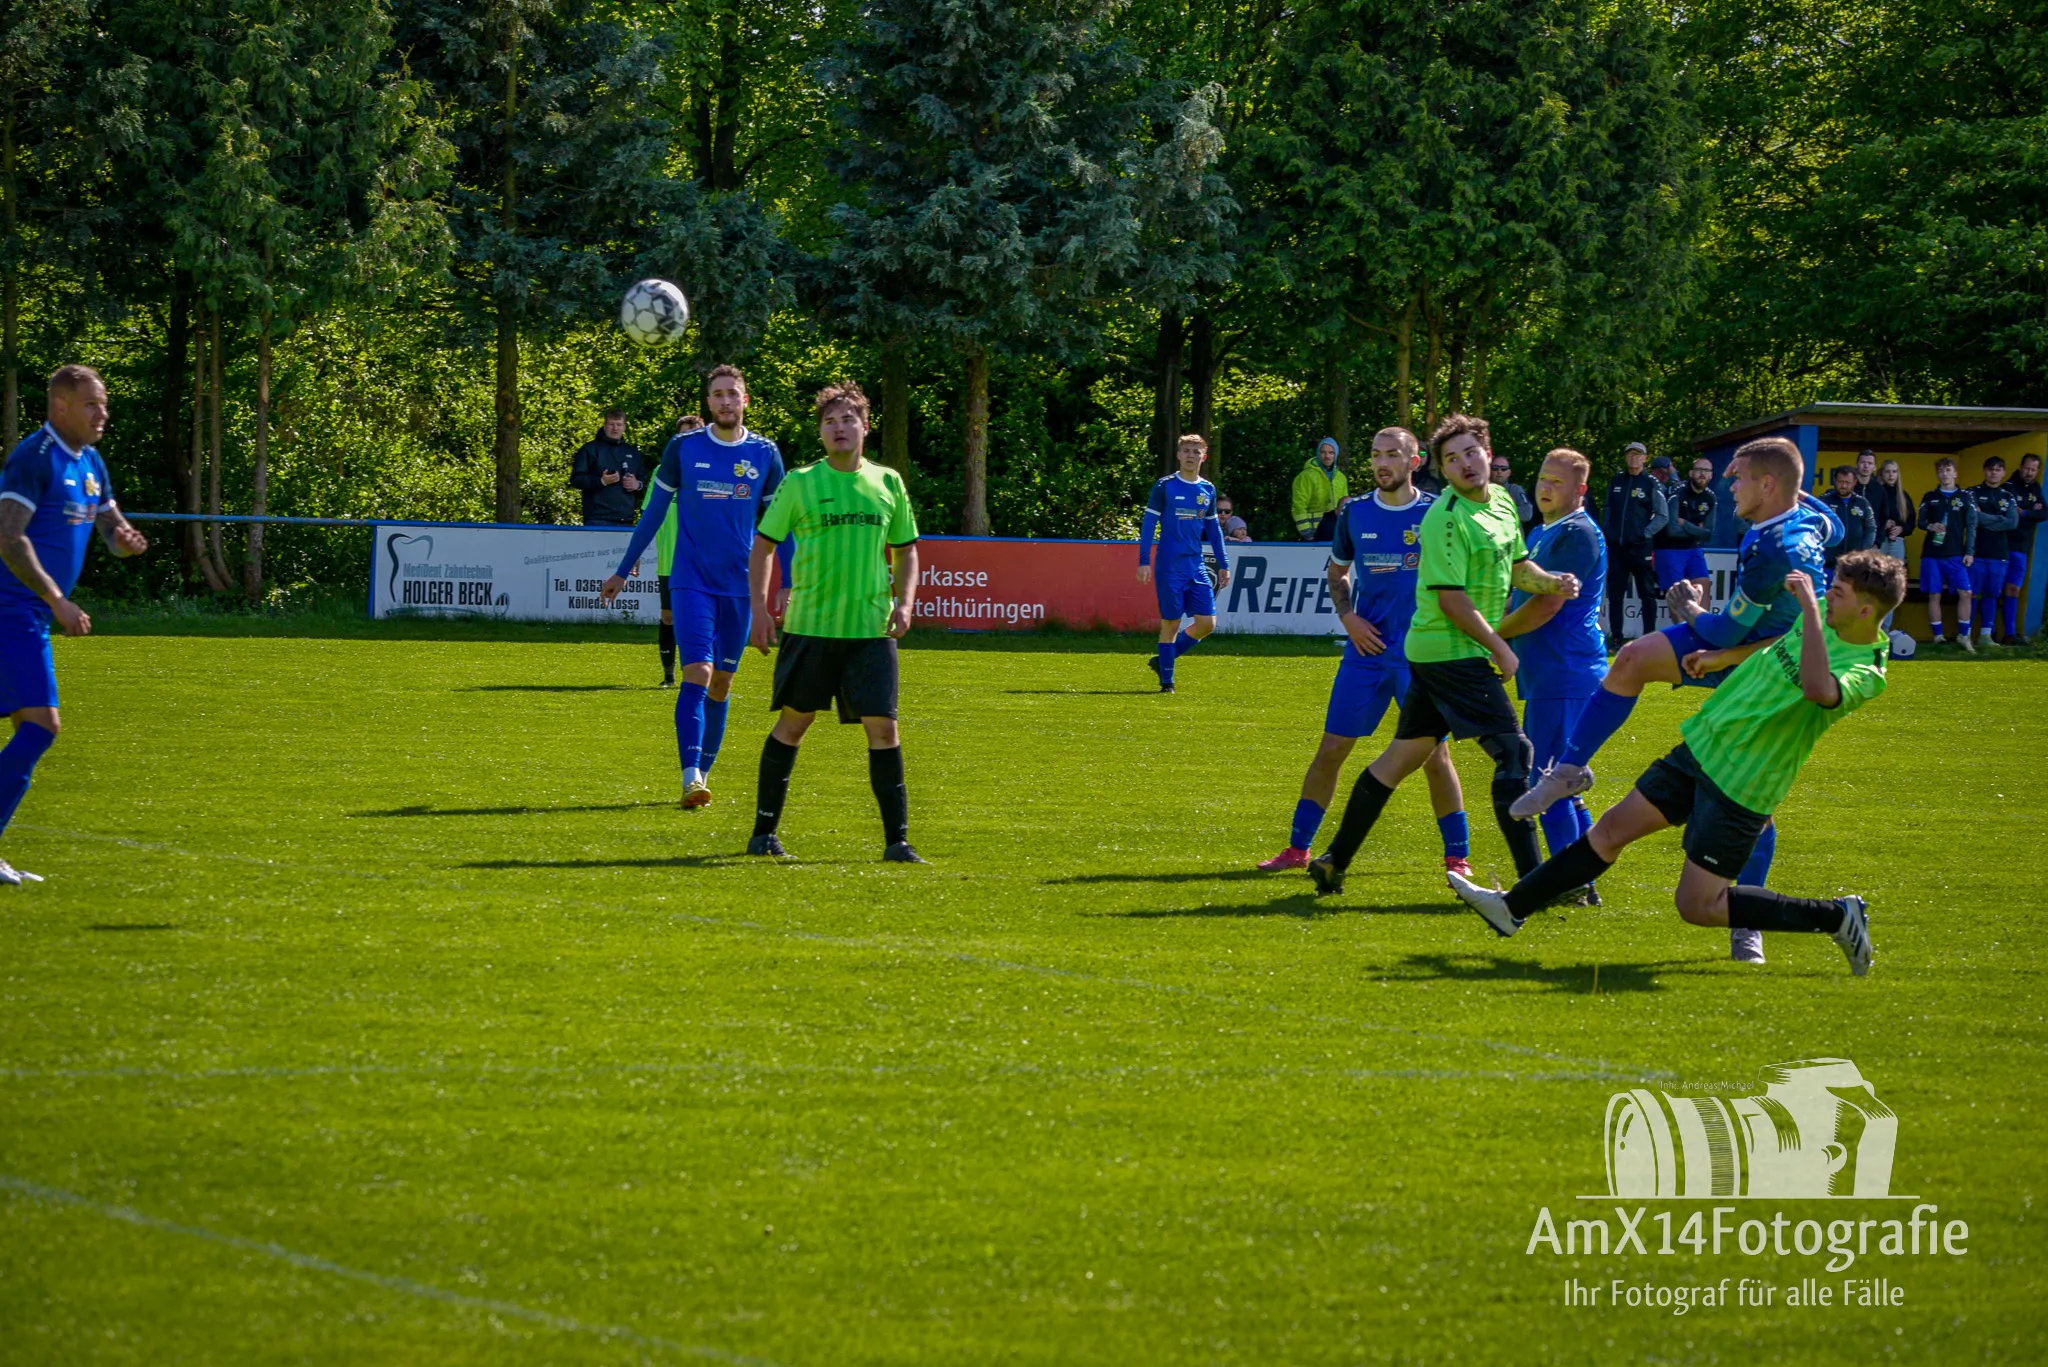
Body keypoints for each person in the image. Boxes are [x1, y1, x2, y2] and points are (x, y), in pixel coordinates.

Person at [1451, 552, 1905, 978]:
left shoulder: (1867, 669)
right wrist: (1722, 657)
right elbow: (1775, 644)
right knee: (1610, 832)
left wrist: (1809, 610)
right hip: (1703, 745)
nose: (1827, 596)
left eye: (1838, 593)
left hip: (1742, 783)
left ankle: (1838, 916)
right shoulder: (1824, 612)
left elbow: (1817, 689)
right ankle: (1511, 908)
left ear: (1866, 611)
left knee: (1697, 906)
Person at [1305, 414, 1580, 896]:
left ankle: (1333, 860)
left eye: (1471, 452)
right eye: (1452, 459)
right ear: (1442, 470)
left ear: (1488, 455)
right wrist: (1501, 647)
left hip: (1436, 652)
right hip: (1449, 651)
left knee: (1399, 759)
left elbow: (1518, 567)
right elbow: (1452, 601)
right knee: (1514, 752)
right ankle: (1537, 883)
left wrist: (1552, 582)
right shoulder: (1445, 519)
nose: (1464, 463)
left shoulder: (1501, 503)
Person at [1514, 436, 1845, 819]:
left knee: (1744, 799)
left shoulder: (1774, 549)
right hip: (1767, 643)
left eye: (1740, 479)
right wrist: (1789, 483)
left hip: (1778, 669)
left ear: (1768, 486)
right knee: (1632, 658)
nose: (1731, 487)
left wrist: (1688, 607)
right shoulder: (1805, 518)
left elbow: (1725, 632)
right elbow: (1836, 528)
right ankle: (1568, 770)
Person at [1257, 428, 1474, 877]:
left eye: (1392, 454)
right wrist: (1348, 618)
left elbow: (1464, 581)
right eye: (1376, 454)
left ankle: (1458, 856)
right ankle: (1297, 848)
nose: (1382, 463)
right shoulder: (1354, 513)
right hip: (1366, 650)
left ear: (1415, 462)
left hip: (1421, 655)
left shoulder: (1439, 513)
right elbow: (1337, 573)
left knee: (1435, 757)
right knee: (1333, 746)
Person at [745, 380, 923, 862]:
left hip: (870, 630)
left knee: (884, 729)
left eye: (848, 419)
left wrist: (905, 603)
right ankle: (763, 835)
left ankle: (898, 843)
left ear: (866, 426)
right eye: (829, 421)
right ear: (821, 432)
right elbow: (763, 546)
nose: (839, 427)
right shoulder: (800, 482)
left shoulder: (888, 482)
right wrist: (759, 609)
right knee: (794, 723)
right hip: (810, 628)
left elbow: (907, 551)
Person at [601, 367, 785, 809]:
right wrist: (623, 569)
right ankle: (690, 778)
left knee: (722, 683)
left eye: (732, 394)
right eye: (717, 394)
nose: (725, 401)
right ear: (708, 402)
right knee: (699, 672)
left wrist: (790, 582)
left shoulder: (765, 453)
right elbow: (653, 513)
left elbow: (783, 524)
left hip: (739, 587)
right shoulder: (684, 448)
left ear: (745, 400)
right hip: (691, 581)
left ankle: (703, 773)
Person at [0, 365, 149, 884]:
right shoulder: (34, 457)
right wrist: (57, 600)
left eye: (103, 404)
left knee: (30, 730)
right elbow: (9, 539)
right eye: (91, 404)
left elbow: (111, 528)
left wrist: (124, 541)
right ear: (60, 406)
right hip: (12, 609)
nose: (102, 414)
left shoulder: (90, 461)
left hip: (29, 613)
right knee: (41, 727)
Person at [1495, 448, 1606, 901]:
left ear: (1580, 490)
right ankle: (1582, 880)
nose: (1545, 488)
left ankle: (1571, 883)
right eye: (1543, 478)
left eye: (1558, 482)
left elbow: (1546, 606)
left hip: (1565, 670)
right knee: (1565, 780)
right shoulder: (1543, 531)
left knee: (1550, 780)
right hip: (1553, 671)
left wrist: (1493, 637)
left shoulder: (1577, 534)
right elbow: (1524, 594)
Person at [1139, 435, 1231, 694]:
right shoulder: (1165, 486)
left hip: (1196, 565)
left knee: (1207, 624)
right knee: (1171, 622)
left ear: (1204, 457)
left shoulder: (1207, 490)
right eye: (1186, 451)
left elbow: (1214, 530)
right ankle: (1167, 683)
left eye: (1196, 451)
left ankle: (1162, 661)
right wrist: (1143, 561)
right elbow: (1149, 524)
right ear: (1178, 455)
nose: (1191, 455)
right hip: (1169, 566)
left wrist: (1224, 563)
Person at [647, 413, 708, 684]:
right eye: (683, 436)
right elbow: (649, 516)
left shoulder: (712, 471)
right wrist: (634, 554)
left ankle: (700, 674)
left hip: (702, 561)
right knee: (669, 616)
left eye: (694, 436)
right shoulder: (661, 472)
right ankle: (669, 675)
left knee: (701, 618)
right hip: (669, 561)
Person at [1602, 441, 1667, 648]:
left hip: (1640, 548)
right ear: (1625, 457)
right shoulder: (1617, 480)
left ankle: (1649, 638)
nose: (1633, 457)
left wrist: (1644, 533)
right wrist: (1608, 531)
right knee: (1615, 595)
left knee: (1647, 594)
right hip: (1617, 548)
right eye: (1630, 454)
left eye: (1638, 454)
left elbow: (1663, 515)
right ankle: (1616, 638)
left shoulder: (1650, 483)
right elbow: (1608, 508)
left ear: (1645, 458)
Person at [1917, 457, 1978, 649]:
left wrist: (1969, 552)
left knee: (1966, 593)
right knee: (1934, 595)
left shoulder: (1966, 497)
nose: (1945, 474)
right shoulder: (1930, 496)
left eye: (1948, 470)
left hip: (1955, 554)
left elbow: (1972, 525)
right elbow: (1920, 522)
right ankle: (1938, 637)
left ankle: (1963, 635)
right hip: (1932, 555)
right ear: (1937, 474)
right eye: (1941, 471)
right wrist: (1930, 526)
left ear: (1955, 473)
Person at [1965, 456, 2021, 650]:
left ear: (2003, 473)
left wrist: (1985, 519)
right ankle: (1965, 634)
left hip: (1999, 554)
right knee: (1971, 594)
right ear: (1985, 471)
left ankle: (1985, 635)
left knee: (1992, 594)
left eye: (1998, 469)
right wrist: (1999, 519)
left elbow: (2012, 522)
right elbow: (1973, 517)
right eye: (1990, 469)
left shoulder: (2008, 496)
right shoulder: (1972, 492)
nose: (1994, 473)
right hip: (1976, 552)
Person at [569, 407, 649, 526]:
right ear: (605, 426)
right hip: (597, 518)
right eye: (611, 424)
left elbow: (645, 481)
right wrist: (601, 481)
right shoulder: (590, 449)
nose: (615, 428)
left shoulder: (633, 452)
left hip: (626, 518)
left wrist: (637, 485)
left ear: (624, 427)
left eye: (619, 424)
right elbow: (576, 479)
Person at [1654, 456, 1717, 600]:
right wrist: (1698, 531)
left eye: (1706, 471)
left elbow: (1708, 534)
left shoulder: (1710, 497)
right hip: (1669, 548)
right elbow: (1672, 530)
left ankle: (1702, 616)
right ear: (1691, 473)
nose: (1702, 474)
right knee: (1678, 595)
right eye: (1699, 470)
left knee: (1704, 586)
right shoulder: (1678, 492)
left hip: (1692, 548)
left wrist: (1686, 524)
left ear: (1711, 475)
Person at [2001, 452, 2044, 643]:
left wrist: (2025, 513)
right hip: (2002, 545)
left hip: (2022, 547)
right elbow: (2009, 514)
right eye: (2027, 468)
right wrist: (2030, 511)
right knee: (1994, 590)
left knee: (2013, 589)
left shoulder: (2035, 488)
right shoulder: (2008, 487)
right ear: (2020, 467)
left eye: (2033, 470)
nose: (2029, 473)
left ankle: (2010, 634)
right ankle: (1988, 632)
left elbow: (2044, 513)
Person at [1868, 459, 1914, 636]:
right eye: (1887, 471)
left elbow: (1911, 523)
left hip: (1896, 543)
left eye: (1894, 472)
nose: (1891, 475)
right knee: (1875, 584)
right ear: (1881, 473)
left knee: (1893, 585)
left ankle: (1885, 630)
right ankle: (1872, 629)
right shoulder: (1877, 493)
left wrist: (1901, 528)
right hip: (1879, 542)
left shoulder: (1903, 496)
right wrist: (1883, 524)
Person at [1820, 464, 1877, 572]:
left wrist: (1863, 550)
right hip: (1827, 563)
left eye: (1847, 482)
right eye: (1840, 482)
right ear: (1834, 481)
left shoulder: (1862, 503)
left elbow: (1871, 528)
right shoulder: (1823, 501)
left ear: (1855, 482)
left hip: (1854, 564)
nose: (1843, 486)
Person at [1291, 437, 1348, 540]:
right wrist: (1307, 534)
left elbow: (1344, 507)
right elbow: (1299, 507)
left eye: (1331, 453)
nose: (1327, 456)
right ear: (1318, 453)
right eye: (1323, 452)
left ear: (1336, 455)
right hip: (1313, 534)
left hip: (1337, 534)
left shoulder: (1341, 478)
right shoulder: (1306, 476)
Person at [1490, 454, 1537, 533]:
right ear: (1490, 470)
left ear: (1508, 473)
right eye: (1495, 468)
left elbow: (1527, 514)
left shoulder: (1515, 490)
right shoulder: (1481, 491)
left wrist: (1499, 510)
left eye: (1503, 469)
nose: (1499, 471)